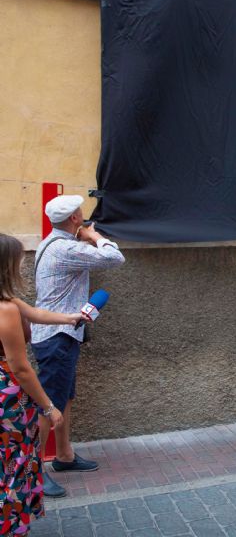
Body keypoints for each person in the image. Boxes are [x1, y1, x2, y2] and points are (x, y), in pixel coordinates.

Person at [31, 195, 125, 498]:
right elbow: (115, 258)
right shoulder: (66, 248)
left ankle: (64, 455)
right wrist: (94, 235)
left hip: (59, 334)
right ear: (74, 219)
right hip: (56, 336)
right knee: (49, 405)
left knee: (63, 398)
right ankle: (32, 472)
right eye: (80, 215)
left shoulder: (51, 243)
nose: (84, 218)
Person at [0, 233, 86, 536]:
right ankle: (9, 525)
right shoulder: (6, 309)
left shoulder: (11, 303)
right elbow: (21, 369)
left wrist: (69, 319)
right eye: (18, 259)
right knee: (12, 465)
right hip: (5, 401)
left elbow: (35, 313)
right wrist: (48, 406)